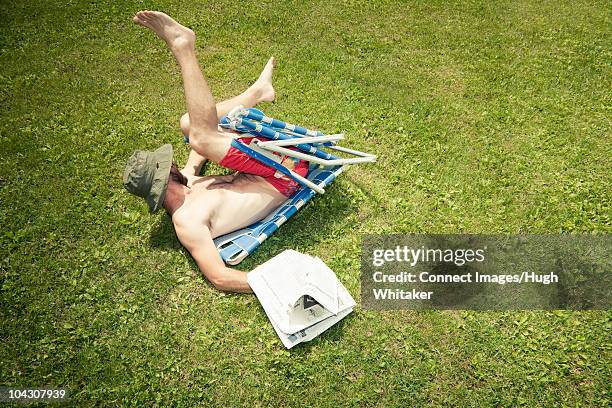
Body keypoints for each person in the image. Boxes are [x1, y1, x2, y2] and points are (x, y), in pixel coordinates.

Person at [123, 11, 309, 292]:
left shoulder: (189, 183)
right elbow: (219, 276)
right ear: (166, 175)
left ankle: (257, 93)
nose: (174, 162)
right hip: (285, 174)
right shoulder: (186, 221)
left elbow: (196, 156)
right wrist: (279, 284)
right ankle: (183, 46)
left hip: (268, 163)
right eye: (168, 164)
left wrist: (199, 140)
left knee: (190, 125)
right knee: (200, 135)